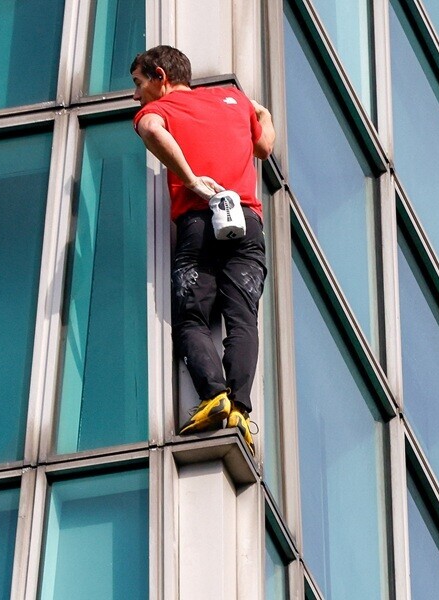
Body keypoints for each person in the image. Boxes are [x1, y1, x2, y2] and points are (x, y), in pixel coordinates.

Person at [130, 45, 275, 453]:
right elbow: (264, 146)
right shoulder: (234, 101)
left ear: (160, 76)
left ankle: (214, 397)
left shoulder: (159, 109)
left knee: (191, 317)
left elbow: (152, 131)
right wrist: (262, 112)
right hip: (246, 221)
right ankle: (240, 411)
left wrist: (191, 180)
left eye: (138, 84)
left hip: (200, 220)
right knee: (242, 318)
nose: (136, 96)